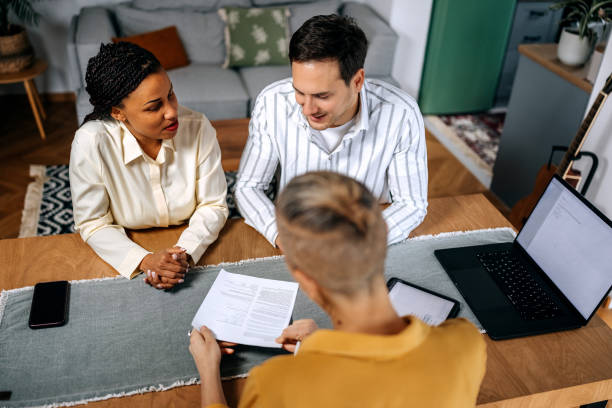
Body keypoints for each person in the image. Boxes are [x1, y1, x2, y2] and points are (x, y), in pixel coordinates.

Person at [190, 171, 486, 407]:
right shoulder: (466, 342)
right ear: (382, 237)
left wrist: (209, 371)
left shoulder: (276, 385)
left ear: (301, 275)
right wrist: (319, 345)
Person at [235, 14, 428, 248]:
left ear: (357, 81)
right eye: (299, 92)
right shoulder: (271, 102)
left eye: (322, 96)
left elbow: (411, 204)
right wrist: (280, 236)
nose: (307, 109)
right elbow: (248, 186)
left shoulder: (401, 113)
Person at [69, 42, 229, 289]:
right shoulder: (91, 142)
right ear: (118, 113)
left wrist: (181, 256)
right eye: (155, 107)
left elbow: (213, 205)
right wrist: (144, 260)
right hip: (129, 250)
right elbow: (93, 222)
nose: (172, 111)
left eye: (171, 95)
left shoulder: (198, 128)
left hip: (187, 244)